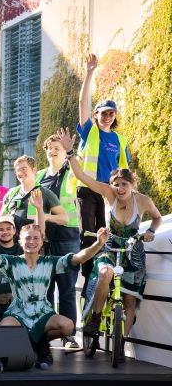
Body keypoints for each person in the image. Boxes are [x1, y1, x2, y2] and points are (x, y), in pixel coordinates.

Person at [59, 128, 162, 340]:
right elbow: (81, 176)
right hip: (109, 245)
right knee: (105, 273)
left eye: (124, 184)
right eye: (116, 184)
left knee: (130, 299)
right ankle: (95, 319)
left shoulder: (143, 200)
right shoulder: (108, 193)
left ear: (133, 185)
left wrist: (151, 230)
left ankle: (121, 342)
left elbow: (157, 217)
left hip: (133, 250)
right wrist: (70, 152)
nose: (119, 188)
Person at [0, 219, 109, 369]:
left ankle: (38, 341)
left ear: (42, 242)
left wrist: (99, 243)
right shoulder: (12, 262)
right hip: (18, 312)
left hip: (43, 312)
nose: (32, 241)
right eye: (28, 238)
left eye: (36, 238)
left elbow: (79, 257)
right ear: (20, 242)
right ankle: (38, 345)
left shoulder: (50, 262)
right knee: (5, 329)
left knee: (68, 326)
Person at [77, 53, 131, 281]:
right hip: (88, 189)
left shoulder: (120, 140)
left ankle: (106, 276)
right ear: (96, 115)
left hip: (109, 194)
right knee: (89, 234)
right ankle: (88, 278)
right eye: (103, 113)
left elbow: (126, 173)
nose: (107, 117)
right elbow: (82, 103)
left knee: (108, 235)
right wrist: (90, 72)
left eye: (111, 113)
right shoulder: (91, 131)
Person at [38, 133, 87, 346]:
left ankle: (68, 334)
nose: (53, 149)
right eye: (50, 146)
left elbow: (84, 174)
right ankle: (49, 332)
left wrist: (71, 151)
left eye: (58, 146)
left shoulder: (72, 172)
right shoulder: (38, 176)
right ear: (46, 151)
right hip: (44, 239)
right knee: (45, 288)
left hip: (68, 236)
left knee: (66, 288)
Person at [0, 155, 66, 232]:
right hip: (13, 241)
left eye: (24, 169)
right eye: (18, 170)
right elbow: (1, 218)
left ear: (34, 170)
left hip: (34, 241)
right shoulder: (11, 193)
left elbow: (64, 218)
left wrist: (46, 217)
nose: (20, 172)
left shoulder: (45, 193)